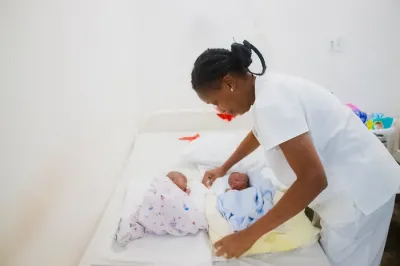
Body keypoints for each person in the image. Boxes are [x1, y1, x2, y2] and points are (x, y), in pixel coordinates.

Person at [190, 40, 400, 266]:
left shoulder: (271, 103)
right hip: (357, 184)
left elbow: (313, 180)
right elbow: (259, 132)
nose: (220, 110)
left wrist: (247, 236)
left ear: (229, 83)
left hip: (361, 194)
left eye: (216, 102)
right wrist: (225, 167)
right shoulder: (267, 89)